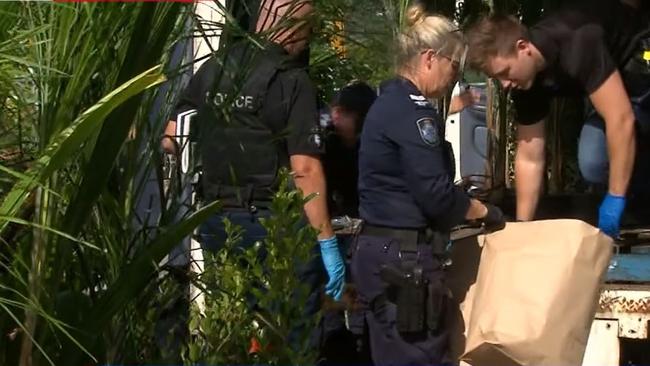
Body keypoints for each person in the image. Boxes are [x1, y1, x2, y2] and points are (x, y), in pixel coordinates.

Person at [161, 0, 345, 326]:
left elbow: (171, 138)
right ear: (295, 30)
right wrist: (327, 241)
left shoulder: (214, 67)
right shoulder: (292, 80)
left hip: (217, 220)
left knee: (230, 324)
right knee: (289, 330)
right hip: (272, 223)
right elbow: (305, 169)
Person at [352, 4, 505, 365]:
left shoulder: (386, 102)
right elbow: (436, 196)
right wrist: (485, 211)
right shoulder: (413, 111)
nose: (454, 76)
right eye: (454, 65)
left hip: (379, 250)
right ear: (429, 58)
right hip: (404, 259)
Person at [465, 0, 650, 238]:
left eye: (505, 72)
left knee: (635, 129)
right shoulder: (524, 82)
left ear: (523, 47)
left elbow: (620, 119)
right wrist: (522, 228)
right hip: (614, 81)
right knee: (593, 160)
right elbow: (530, 156)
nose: (505, 84)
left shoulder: (578, 41)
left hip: (639, 58)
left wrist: (615, 197)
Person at [320, 81, 377, 218]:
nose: (335, 116)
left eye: (343, 112)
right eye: (335, 110)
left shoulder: (375, 148)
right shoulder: (326, 146)